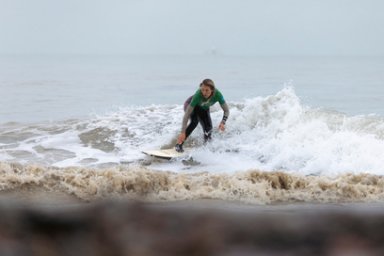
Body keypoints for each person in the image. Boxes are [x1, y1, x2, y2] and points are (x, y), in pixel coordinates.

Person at [175, 78, 229, 152]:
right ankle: (179, 144)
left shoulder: (218, 95)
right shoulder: (198, 95)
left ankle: (206, 149)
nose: (204, 93)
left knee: (208, 128)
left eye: (207, 90)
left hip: (203, 108)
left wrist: (223, 122)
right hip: (190, 105)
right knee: (194, 122)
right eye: (202, 90)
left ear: (212, 90)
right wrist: (182, 132)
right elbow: (187, 114)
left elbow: (226, 110)